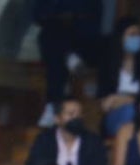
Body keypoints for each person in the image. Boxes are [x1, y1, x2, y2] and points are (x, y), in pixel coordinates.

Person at [32, 0, 105, 128]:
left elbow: (94, 16)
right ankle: (53, 105)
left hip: (84, 42)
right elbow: (38, 14)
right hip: (57, 39)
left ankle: (68, 56)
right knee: (53, 35)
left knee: (59, 45)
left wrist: (71, 15)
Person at [97, 15, 140, 137]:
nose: (136, 38)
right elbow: (105, 103)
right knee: (129, 111)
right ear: (120, 37)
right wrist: (127, 101)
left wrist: (123, 99)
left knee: (131, 110)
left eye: (139, 34)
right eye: (132, 34)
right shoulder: (108, 62)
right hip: (115, 117)